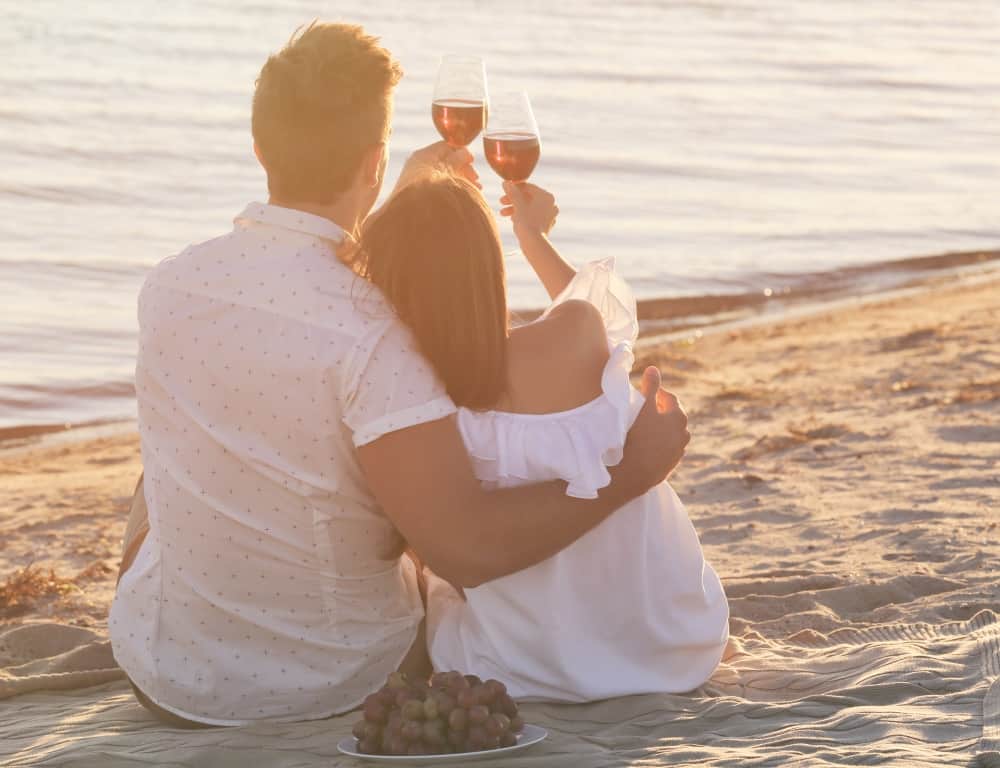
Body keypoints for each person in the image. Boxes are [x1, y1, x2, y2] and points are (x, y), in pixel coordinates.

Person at [109, 21, 691, 727]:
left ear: (260, 149)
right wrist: (633, 470)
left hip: (168, 677)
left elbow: (305, 279)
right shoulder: (380, 333)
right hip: (337, 682)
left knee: (167, 453)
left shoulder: (168, 287)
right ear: (375, 163)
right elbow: (467, 552)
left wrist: (390, 199)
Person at [353, 173, 729, 701]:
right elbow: (594, 309)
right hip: (674, 643)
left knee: (417, 568)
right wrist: (531, 235)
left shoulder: (417, 398)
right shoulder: (574, 333)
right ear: (489, 265)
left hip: (525, 669)